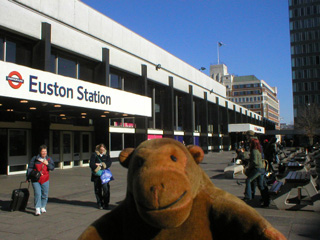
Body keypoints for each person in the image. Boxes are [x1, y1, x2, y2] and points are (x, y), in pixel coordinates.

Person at [27, 144, 55, 216]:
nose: (44, 153)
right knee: (37, 193)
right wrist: (27, 177)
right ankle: (37, 208)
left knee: (45, 194)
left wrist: (47, 164)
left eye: (45, 151)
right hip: (36, 179)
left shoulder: (49, 159)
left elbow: (52, 168)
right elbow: (30, 168)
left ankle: (43, 206)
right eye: (43, 151)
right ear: (40, 152)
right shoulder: (35, 159)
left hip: (45, 179)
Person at [243, 137, 269, 207]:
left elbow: (254, 162)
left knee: (248, 180)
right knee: (261, 185)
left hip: (257, 169)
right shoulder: (259, 150)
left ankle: (248, 196)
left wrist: (249, 168)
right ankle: (266, 199)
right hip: (262, 168)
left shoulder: (254, 151)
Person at [90, 143, 112, 209]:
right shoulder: (94, 155)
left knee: (106, 189)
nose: (102, 149)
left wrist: (101, 165)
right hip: (96, 175)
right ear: (98, 148)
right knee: (97, 190)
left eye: (103, 147)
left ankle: (106, 203)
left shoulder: (107, 155)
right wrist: (97, 168)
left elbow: (109, 163)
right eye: (101, 148)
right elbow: (92, 164)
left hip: (105, 175)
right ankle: (100, 203)